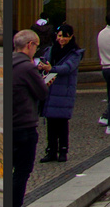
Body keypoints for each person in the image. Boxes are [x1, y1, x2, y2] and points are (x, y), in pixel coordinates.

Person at [5, 29, 46, 207]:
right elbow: (42, 93)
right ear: (30, 45)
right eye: (36, 47)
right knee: (21, 173)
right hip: (24, 127)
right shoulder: (28, 67)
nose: (35, 51)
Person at [38, 25, 82, 163]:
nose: (61, 39)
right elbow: (44, 61)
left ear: (70, 37)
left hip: (64, 91)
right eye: (59, 36)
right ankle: (51, 150)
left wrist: (52, 68)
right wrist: (41, 66)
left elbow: (68, 67)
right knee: (50, 122)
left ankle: (63, 150)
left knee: (62, 122)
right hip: (51, 89)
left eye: (64, 36)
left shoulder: (75, 53)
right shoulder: (50, 50)